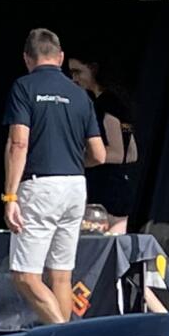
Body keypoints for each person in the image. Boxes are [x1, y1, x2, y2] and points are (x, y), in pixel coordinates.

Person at [2, 28, 107, 324]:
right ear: (60, 57)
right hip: (75, 186)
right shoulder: (80, 94)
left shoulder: (24, 87)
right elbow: (98, 155)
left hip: (40, 186)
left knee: (25, 276)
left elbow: (18, 143)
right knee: (62, 276)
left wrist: (10, 196)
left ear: (27, 59)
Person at [65, 57, 138, 236]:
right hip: (120, 186)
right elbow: (132, 154)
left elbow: (116, 152)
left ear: (93, 69)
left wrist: (79, 160)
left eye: (78, 72)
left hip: (106, 191)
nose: (74, 79)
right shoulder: (119, 104)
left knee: (99, 248)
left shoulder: (105, 105)